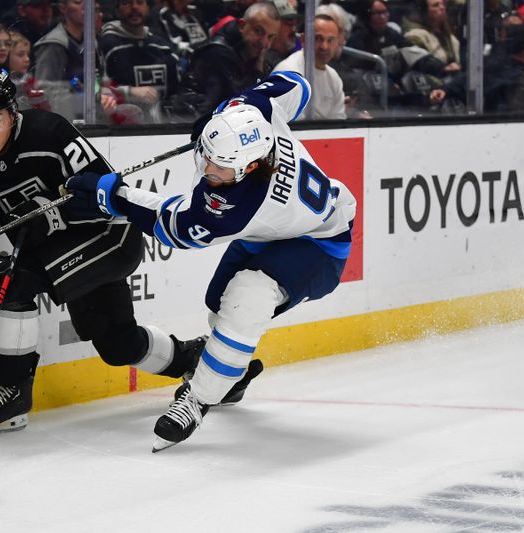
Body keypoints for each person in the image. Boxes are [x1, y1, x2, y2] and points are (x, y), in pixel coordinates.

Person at [0, 67, 257, 435]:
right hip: (53, 252)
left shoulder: (50, 131)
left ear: (13, 112)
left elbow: (109, 192)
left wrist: (53, 211)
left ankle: (12, 391)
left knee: (17, 283)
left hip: (108, 237)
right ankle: (207, 365)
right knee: (116, 344)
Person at [65, 70, 356, 450]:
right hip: (275, 229)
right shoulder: (254, 112)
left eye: (221, 168)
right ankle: (230, 376)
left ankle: (198, 399)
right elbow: (295, 83)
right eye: (209, 157)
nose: (208, 170)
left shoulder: (234, 205)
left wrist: (112, 196)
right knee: (219, 309)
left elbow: (173, 225)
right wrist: (222, 117)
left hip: (320, 243)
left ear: (251, 166)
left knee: (247, 297)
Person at [187, 1, 281, 116]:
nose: (264, 43)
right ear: (242, 25)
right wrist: (258, 71)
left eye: (270, 37)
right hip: (184, 125)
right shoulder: (217, 53)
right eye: (258, 31)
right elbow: (237, 105)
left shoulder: (256, 53)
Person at [99, 0, 181, 124]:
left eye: (140, 2)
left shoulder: (162, 46)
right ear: (117, 10)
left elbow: (177, 89)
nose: (134, 7)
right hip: (122, 130)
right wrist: (129, 92)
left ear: (148, 7)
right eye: (127, 3)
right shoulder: (106, 45)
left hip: (166, 127)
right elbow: (96, 90)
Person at [273, 13, 347, 120]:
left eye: (330, 40)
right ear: (303, 40)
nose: (324, 46)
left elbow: (338, 122)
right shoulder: (288, 74)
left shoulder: (334, 78)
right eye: (318, 39)